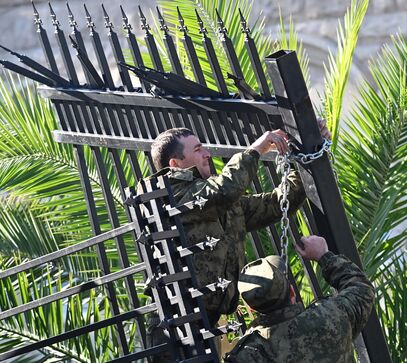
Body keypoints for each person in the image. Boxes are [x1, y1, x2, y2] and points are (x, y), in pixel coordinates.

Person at [146, 122, 330, 361]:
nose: (207, 153)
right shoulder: (171, 196)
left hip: (205, 320)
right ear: (175, 164)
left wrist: (309, 155)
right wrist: (256, 150)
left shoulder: (219, 201)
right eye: (198, 149)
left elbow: (277, 204)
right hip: (173, 325)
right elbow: (223, 190)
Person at [224, 235, 375, 363]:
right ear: (292, 292)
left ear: (251, 309)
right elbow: (362, 289)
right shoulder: (331, 315)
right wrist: (323, 255)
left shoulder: (250, 353)